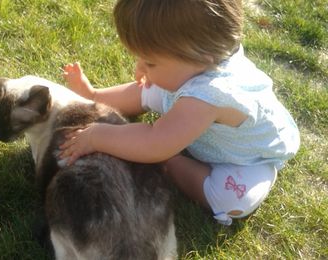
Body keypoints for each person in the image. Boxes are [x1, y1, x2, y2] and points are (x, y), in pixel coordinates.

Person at [59, 0, 300, 225]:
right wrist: (151, 70)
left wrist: (96, 136)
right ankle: (96, 97)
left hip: (246, 159)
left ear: (200, 58)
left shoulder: (211, 95)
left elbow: (154, 141)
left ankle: (171, 162)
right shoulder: (201, 61)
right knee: (152, 89)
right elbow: (149, 88)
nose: (140, 67)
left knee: (232, 201)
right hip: (192, 106)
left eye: (150, 62)